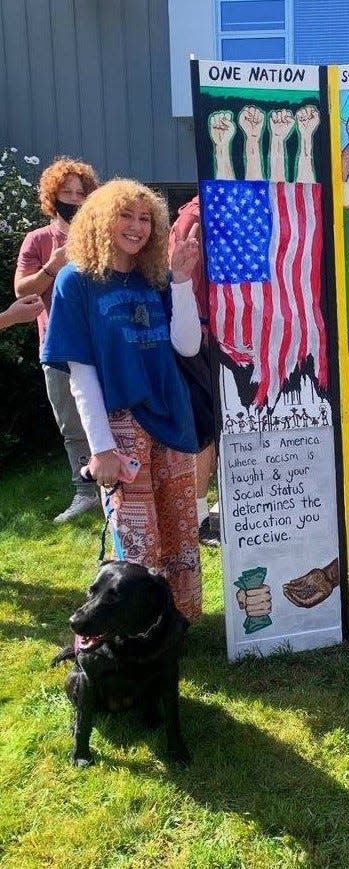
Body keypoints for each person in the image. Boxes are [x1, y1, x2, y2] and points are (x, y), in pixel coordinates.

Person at [41, 179, 203, 622]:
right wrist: (101, 448)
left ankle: (176, 623)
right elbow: (81, 372)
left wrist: (182, 283)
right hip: (120, 424)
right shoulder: (76, 281)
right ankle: (135, 626)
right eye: (125, 216)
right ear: (99, 219)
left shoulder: (155, 277)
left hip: (172, 415)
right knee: (137, 535)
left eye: (145, 218)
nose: (136, 227)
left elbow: (187, 347)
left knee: (179, 527)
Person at [14, 158, 99, 523]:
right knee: (72, 423)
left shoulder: (101, 234)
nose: (75, 199)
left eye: (81, 193)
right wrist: (54, 264)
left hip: (102, 346)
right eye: (67, 193)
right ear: (52, 197)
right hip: (58, 346)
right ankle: (85, 493)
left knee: (113, 415)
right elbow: (21, 289)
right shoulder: (38, 239)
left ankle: (120, 483)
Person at [168, 195, 219, 546]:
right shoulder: (196, 216)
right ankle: (198, 514)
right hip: (199, 337)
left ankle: (205, 508)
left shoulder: (203, 210)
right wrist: (200, 324)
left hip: (209, 334)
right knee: (205, 430)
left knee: (214, 428)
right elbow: (188, 275)